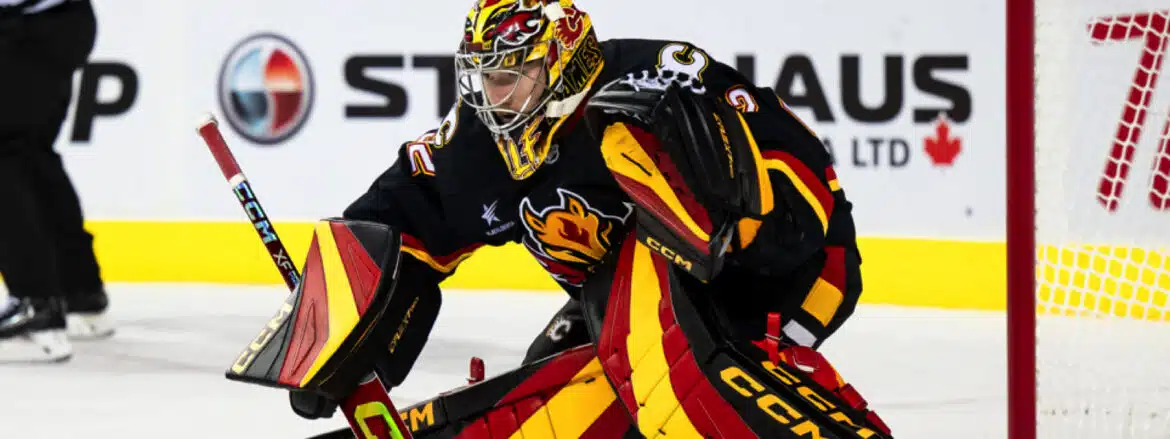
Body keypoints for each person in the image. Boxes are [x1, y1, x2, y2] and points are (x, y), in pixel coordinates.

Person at [300, 0, 891, 435]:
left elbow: (804, 178)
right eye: (483, 77)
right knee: (557, 384)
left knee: (675, 389)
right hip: (624, 300)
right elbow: (398, 223)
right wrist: (348, 341)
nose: (491, 96)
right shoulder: (478, 144)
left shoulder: (661, 78)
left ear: (562, 62)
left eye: (508, 77)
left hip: (786, 275)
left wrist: (752, 235)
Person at [0, 0, 114, 363]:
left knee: (7, 151)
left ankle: (37, 301)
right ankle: (78, 291)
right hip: (60, 21)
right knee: (30, 152)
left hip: (29, 28)